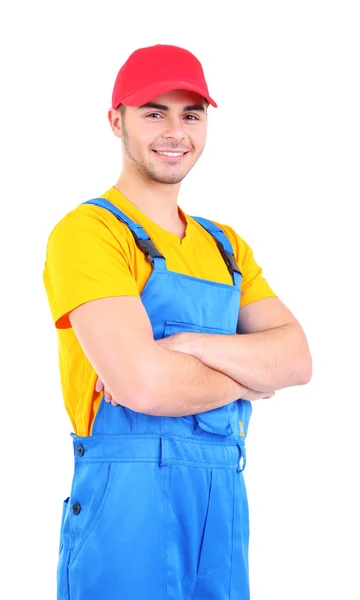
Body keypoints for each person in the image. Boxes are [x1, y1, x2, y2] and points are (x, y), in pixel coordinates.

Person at [43, 43, 312, 600]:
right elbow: (142, 384)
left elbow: (297, 360)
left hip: (222, 496)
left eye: (191, 114)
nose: (175, 131)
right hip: (127, 503)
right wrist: (250, 378)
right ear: (116, 120)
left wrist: (186, 345)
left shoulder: (225, 245)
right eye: (153, 112)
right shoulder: (90, 233)